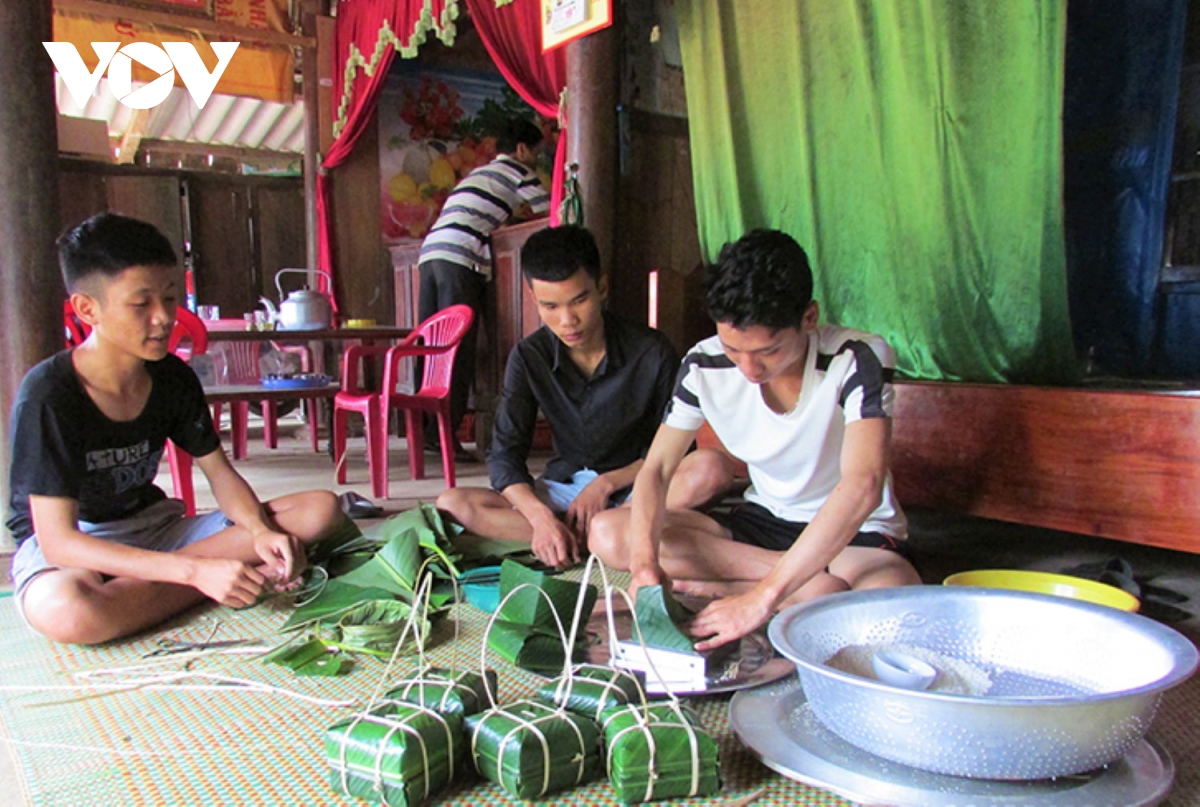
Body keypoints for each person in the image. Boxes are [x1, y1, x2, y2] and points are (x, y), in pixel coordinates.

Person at [6, 213, 344, 645]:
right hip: (81, 549)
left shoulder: (171, 376)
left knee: (319, 511)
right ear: (87, 309)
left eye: (170, 298)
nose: (164, 317)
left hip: (155, 531)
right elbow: (59, 543)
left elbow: (220, 474)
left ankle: (161, 590)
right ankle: (206, 583)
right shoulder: (49, 395)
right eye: (141, 304)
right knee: (73, 613)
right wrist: (194, 571)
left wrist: (260, 534)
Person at [588, 229, 921, 648]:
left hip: (851, 536)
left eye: (769, 351)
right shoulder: (702, 364)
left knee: (891, 612)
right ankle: (802, 584)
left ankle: (733, 586)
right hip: (761, 526)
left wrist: (761, 599)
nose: (748, 369)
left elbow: (863, 486)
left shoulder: (857, 357)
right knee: (608, 533)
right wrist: (643, 567)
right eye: (733, 349)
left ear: (809, 318)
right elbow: (656, 470)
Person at [437, 225, 714, 570]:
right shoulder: (528, 357)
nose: (567, 320)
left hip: (635, 489)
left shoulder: (651, 351)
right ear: (534, 299)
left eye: (579, 300)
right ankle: (591, 536)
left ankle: (601, 530)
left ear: (601, 287)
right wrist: (540, 518)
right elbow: (504, 456)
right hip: (563, 493)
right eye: (550, 306)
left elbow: (677, 452)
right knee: (453, 504)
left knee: (708, 469)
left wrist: (607, 482)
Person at [417, 117, 551, 462]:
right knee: (456, 349)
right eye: (537, 151)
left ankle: (428, 431)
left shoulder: (479, 173)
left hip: (430, 253)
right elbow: (551, 214)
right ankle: (445, 436)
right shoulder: (520, 172)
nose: (537, 158)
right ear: (522, 149)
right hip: (460, 257)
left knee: (431, 347)